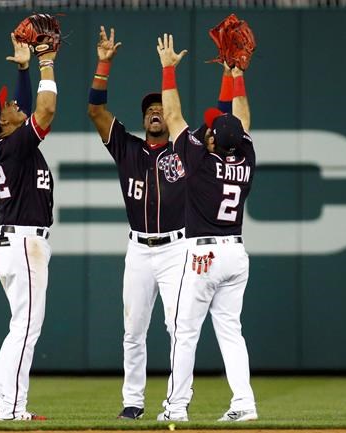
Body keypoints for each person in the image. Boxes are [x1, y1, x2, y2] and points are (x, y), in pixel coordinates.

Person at [87, 26, 190, 420]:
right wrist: (104, 63)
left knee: (179, 329)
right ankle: (133, 403)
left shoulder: (186, 150)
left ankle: (176, 404)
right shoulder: (127, 148)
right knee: (133, 331)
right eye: (149, 108)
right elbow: (96, 111)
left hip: (177, 248)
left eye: (161, 107)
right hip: (139, 249)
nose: (155, 111)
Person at [155, 33, 258, 422]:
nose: (207, 129)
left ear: (214, 139)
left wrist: (168, 68)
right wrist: (235, 74)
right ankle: (244, 404)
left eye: (212, 129)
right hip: (236, 253)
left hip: (203, 254)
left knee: (185, 333)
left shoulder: (200, 161)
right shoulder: (244, 157)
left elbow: (172, 116)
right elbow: (242, 119)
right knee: (231, 332)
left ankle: (176, 408)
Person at [0, 33, 58, 422]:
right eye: (6, 104)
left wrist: (22, 69)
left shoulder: (7, 141)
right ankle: (12, 408)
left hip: (17, 241)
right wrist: (45, 63)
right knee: (26, 328)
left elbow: (23, 109)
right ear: (3, 121)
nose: (12, 103)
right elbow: (45, 110)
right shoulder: (14, 145)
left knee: (20, 325)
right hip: (23, 242)